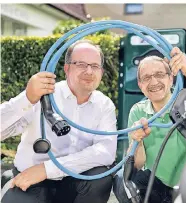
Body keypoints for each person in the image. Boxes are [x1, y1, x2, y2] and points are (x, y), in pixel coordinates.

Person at [1, 40, 118, 203]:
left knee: (100, 179)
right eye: (81, 64)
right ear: (67, 68)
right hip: (30, 181)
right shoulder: (44, 95)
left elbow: (106, 152)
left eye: (95, 66)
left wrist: (46, 169)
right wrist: (27, 98)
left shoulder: (104, 104)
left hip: (71, 182)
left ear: (102, 72)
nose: (89, 71)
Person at [113, 47, 186, 203]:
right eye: (146, 77)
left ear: (171, 78)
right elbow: (138, 164)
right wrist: (137, 141)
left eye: (160, 74)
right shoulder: (138, 111)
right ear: (140, 85)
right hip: (158, 185)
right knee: (123, 181)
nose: (154, 82)